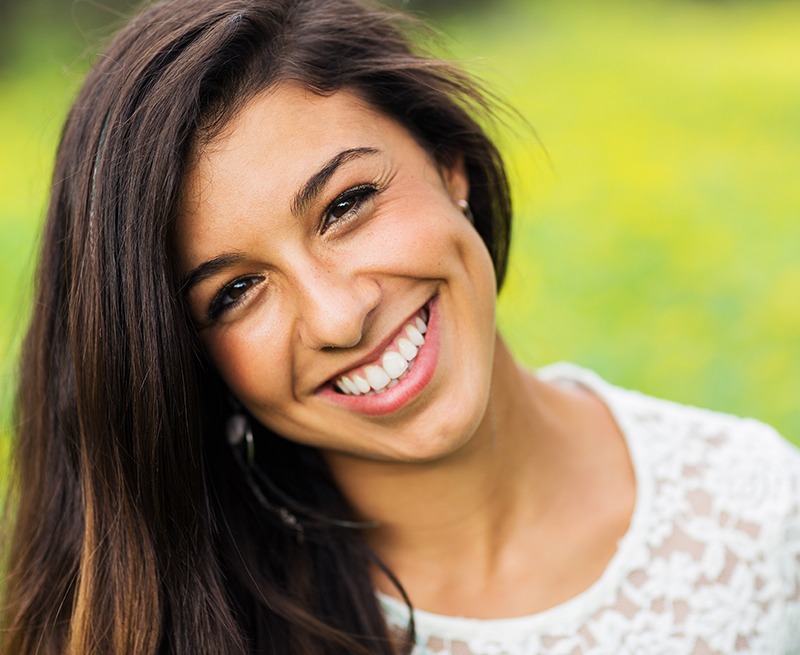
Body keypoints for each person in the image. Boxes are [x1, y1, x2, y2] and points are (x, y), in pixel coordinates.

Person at [2, 0, 799, 653]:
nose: (339, 314)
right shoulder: (168, 624)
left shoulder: (760, 519)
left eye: (345, 205)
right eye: (237, 291)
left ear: (449, 163)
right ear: (186, 357)